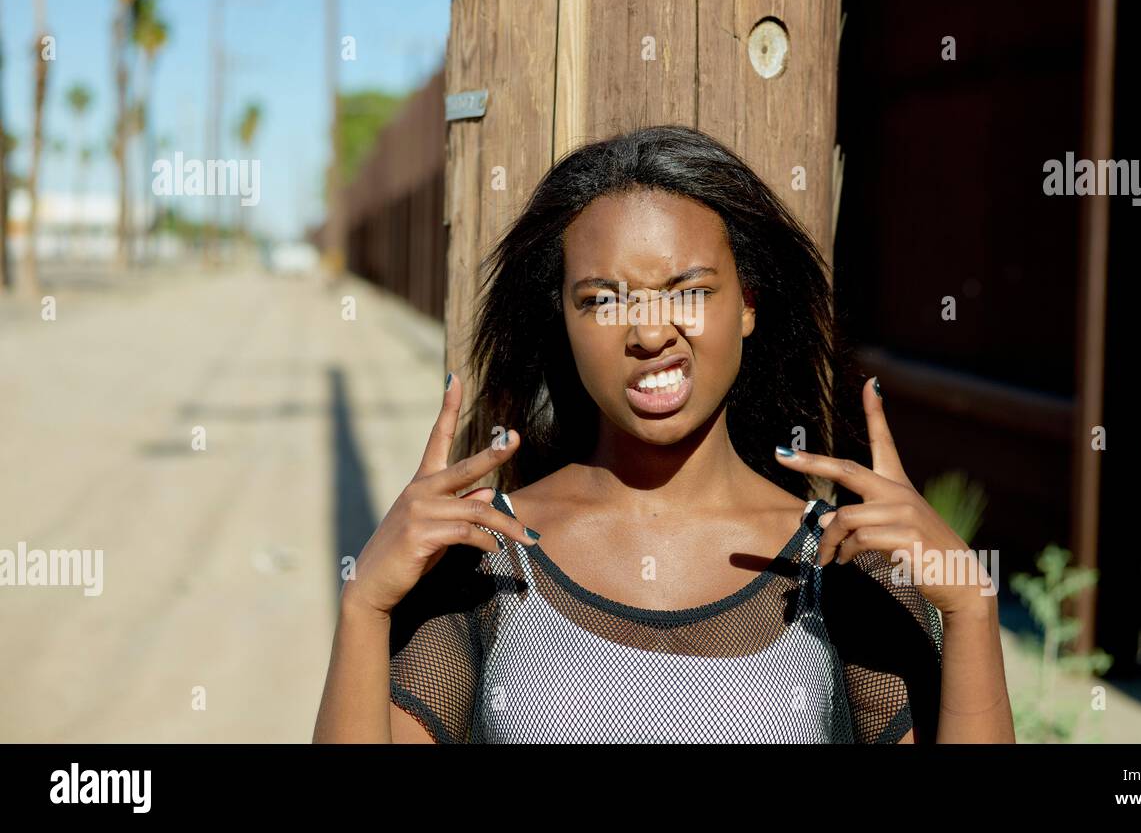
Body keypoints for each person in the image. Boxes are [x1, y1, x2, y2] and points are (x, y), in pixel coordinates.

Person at [312, 124, 1014, 743]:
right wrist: (365, 604)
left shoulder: (842, 560)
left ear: (747, 305)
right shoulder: (482, 554)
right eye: (603, 300)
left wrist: (973, 610)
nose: (650, 332)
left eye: (689, 290)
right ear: (562, 319)